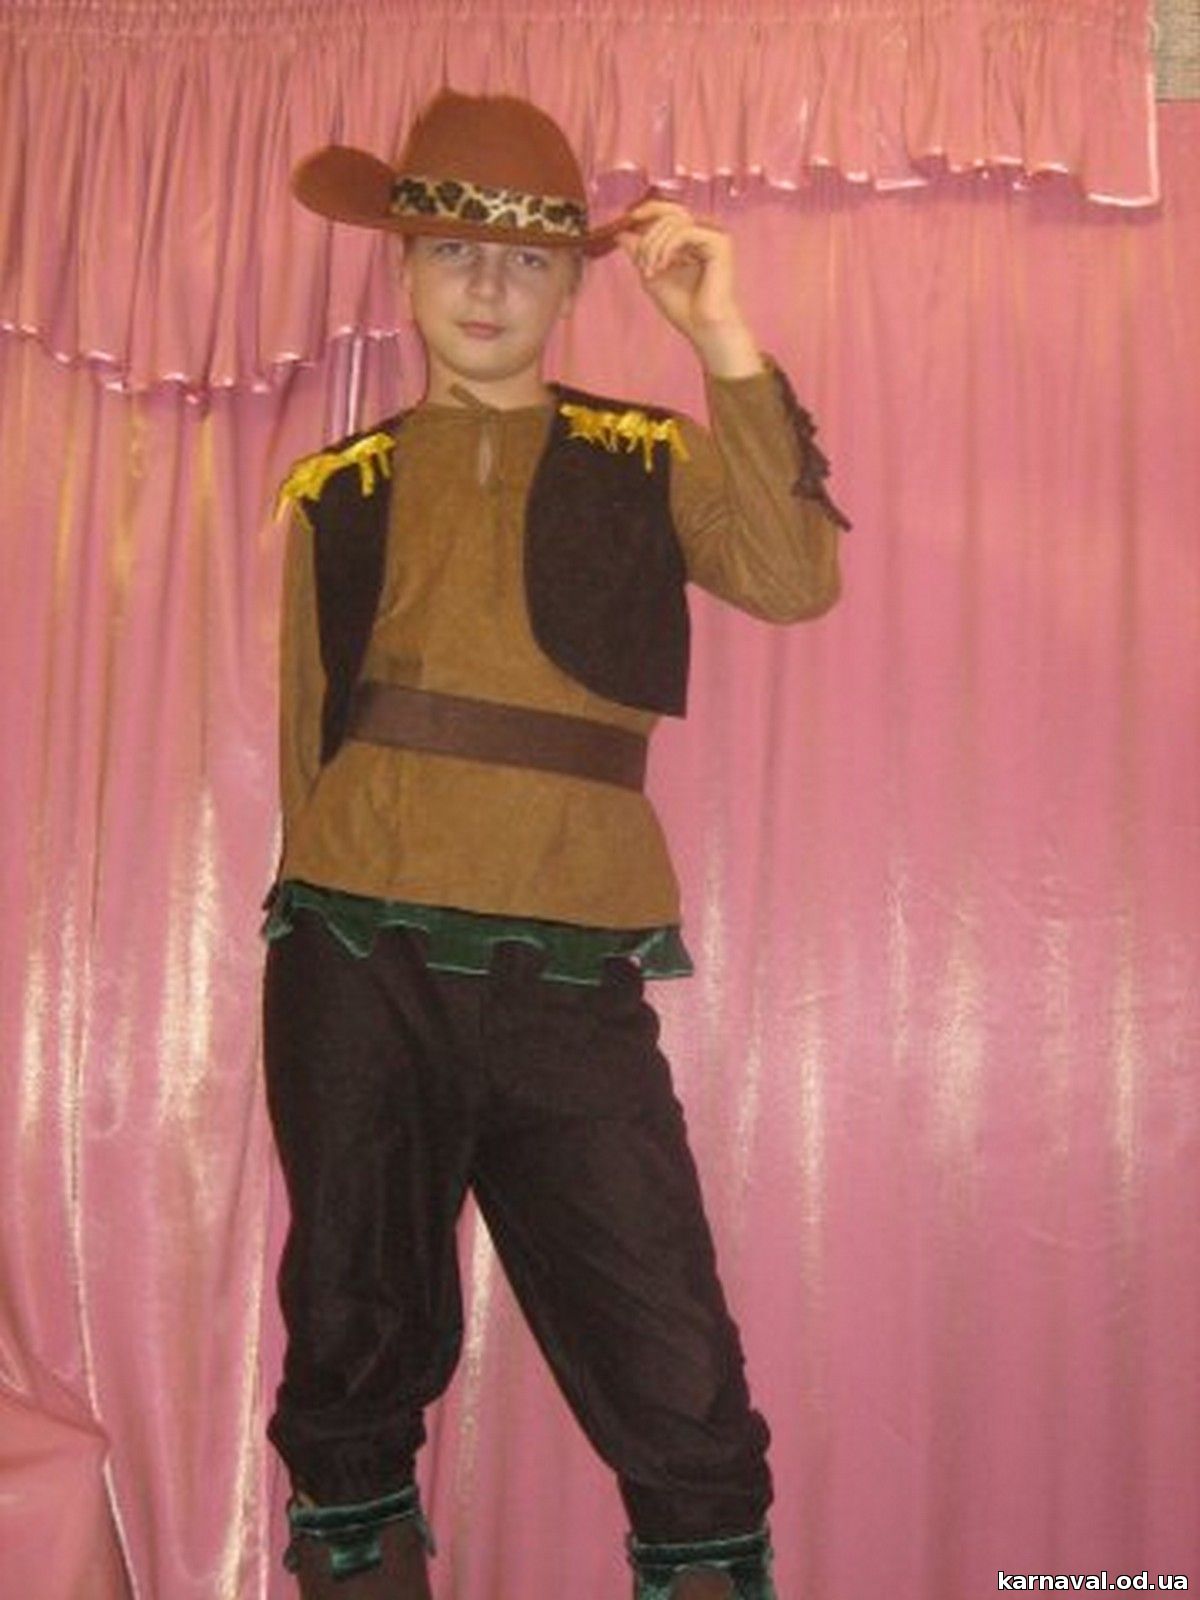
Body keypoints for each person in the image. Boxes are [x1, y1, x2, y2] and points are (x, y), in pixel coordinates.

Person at [265, 88, 849, 1600]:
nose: (487, 287)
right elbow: (309, 745)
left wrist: (720, 334)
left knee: (669, 1351)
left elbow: (796, 577)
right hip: (356, 956)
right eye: (453, 252)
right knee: (350, 1323)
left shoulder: (643, 454)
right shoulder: (336, 489)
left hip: (571, 967)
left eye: (526, 261)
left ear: (573, 285)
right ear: (403, 269)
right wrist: (318, 921)